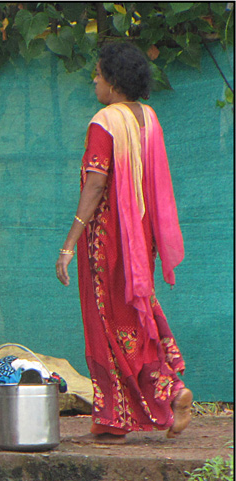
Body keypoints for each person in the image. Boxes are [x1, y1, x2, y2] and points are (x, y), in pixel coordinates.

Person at [56, 42, 192, 442]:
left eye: (98, 73)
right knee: (135, 313)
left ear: (113, 81)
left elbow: (96, 182)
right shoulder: (147, 117)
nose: (94, 80)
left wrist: (70, 242)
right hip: (139, 239)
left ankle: (168, 391)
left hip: (107, 240)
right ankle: (114, 416)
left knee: (111, 322)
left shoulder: (104, 121)